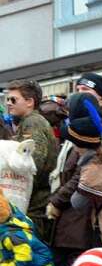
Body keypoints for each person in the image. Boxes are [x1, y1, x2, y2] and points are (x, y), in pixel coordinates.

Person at [47, 93, 102, 266]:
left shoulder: (94, 166)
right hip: (98, 224)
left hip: (98, 225)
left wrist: (57, 201)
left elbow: (78, 202)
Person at [6, 78, 57, 234]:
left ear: (29, 102)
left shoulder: (33, 123)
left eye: (13, 99)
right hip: (34, 206)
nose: (8, 103)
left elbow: (33, 166)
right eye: (7, 99)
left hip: (34, 209)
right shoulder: (28, 122)